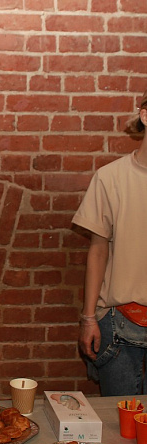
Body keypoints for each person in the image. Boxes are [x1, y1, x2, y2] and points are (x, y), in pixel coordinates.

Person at [73, 87, 147, 396]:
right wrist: (89, 317)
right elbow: (98, 250)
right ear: (145, 115)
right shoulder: (110, 177)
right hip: (119, 325)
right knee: (120, 432)